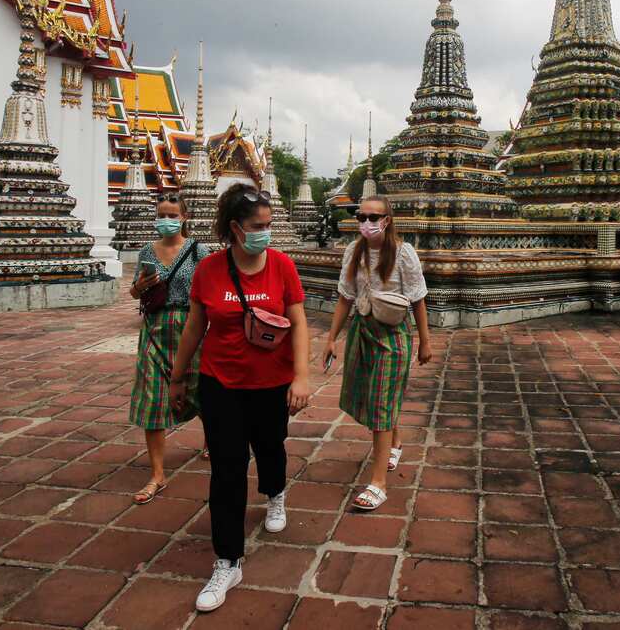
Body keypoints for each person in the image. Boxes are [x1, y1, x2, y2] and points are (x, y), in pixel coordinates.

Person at [169, 183, 311, 612]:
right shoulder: (209, 270)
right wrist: (178, 377)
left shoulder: (282, 266)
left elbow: (299, 322)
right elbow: (195, 326)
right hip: (220, 382)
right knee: (227, 469)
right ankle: (227, 560)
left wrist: (301, 377)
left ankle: (274, 493)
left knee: (270, 447)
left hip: (271, 383)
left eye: (268, 225)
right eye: (257, 226)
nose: (264, 233)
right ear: (234, 228)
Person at [322, 195, 431, 512]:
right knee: (374, 397)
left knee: (382, 401)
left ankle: (378, 482)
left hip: (392, 334)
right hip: (363, 330)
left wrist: (425, 340)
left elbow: (418, 298)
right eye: (361, 217)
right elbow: (345, 297)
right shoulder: (353, 252)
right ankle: (395, 442)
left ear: (387, 220)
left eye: (374, 217)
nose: (367, 223)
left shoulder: (402, 253)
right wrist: (331, 338)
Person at [127, 194, 208, 505]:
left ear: (184, 217)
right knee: (152, 398)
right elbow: (135, 291)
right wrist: (143, 285)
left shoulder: (199, 250)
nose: (167, 219)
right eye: (161, 214)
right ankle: (158, 473)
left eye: (173, 214)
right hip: (155, 328)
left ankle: (211, 438)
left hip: (190, 326)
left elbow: (213, 286)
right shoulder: (147, 250)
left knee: (200, 390)